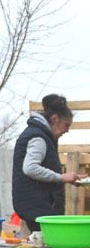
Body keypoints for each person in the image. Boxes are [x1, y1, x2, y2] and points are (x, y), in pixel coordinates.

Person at [12, 93, 85, 232]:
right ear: (55, 119)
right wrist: (61, 177)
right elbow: (30, 168)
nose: (67, 130)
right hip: (38, 207)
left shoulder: (42, 135)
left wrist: (66, 178)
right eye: (66, 125)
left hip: (36, 205)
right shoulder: (38, 137)